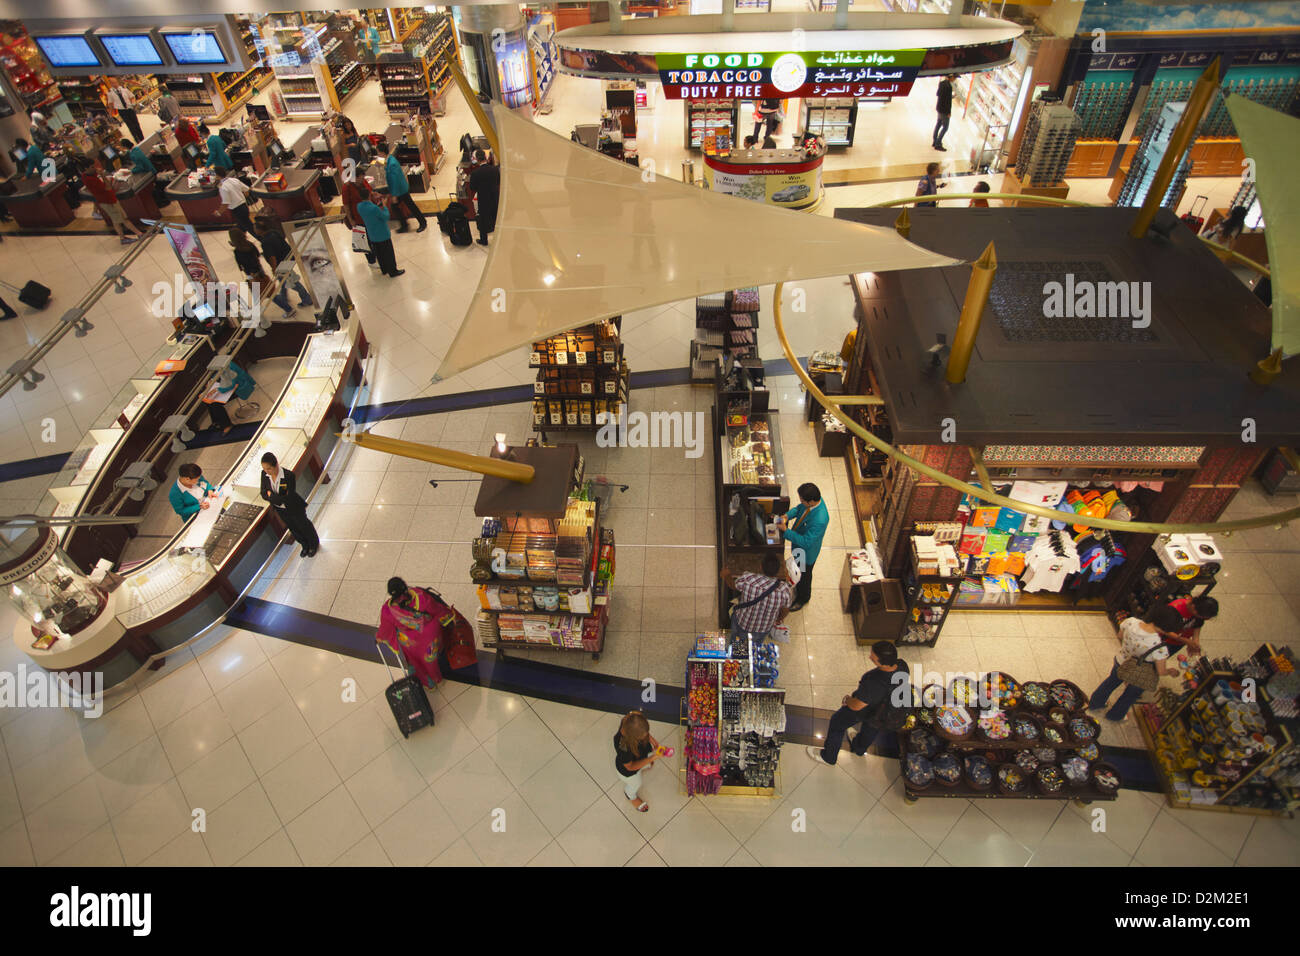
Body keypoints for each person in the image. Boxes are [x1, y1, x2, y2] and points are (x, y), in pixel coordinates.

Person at [807, 641, 910, 765]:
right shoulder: (902, 666)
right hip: (883, 712)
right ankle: (859, 748)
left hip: (866, 710)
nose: (870, 657)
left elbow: (857, 706)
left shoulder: (875, 682)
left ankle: (829, 757)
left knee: (837, 723)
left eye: (873, 656)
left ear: (881, 662)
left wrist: (848, 700)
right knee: (871, 729)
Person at [1088, 605, 1185, 722]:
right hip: (1138, 673)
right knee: (1130, 695)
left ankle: (1095, 703)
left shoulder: (1131, 621)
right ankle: (1115, 715)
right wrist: (1171, 672)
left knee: (1110, 683)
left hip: (1121, 661)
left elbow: (1120, 635)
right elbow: (1161, 671)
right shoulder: (1159, 647)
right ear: (1168, 628)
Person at [377, 577, 448, 688]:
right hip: (428, 637)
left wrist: (379, 638)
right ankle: (437, 678)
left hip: (410, 642)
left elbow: (385, 629)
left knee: (415, 661)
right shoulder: (420, 596)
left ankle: (428, 683)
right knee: (430, 660)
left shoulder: (388, 610)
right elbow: (436, 609)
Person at [780, 482, 830, 612]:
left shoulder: (820, 519)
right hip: (798, 547)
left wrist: (786, 531)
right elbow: (798, 509)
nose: (800, 502)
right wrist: (787, 516)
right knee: (797, 569)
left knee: (804, 576)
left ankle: (803, 598)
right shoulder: (811, 504)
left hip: (806, 553)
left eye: (802, 500)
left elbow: (806, 542)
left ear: (812, 501)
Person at [722, 552, 792, 644]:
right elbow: (785, 610)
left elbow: (733, 585)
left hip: (742, 622)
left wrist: (726, 575)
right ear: (778, 570)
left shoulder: (748, 580)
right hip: (764, 628)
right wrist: (778, 618)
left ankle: (735, 654)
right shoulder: (784, 590)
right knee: (756, 645)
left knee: (736, 642)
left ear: (761, 567)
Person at [260, 452, 319, 557]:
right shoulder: (264, 475)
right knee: (293, 529)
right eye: (264, 468)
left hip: (293, 507)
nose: (266, 471)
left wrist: (271, 495)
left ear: (276, 465)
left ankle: (313, 544)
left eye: (268, 468)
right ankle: (305, 545)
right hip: (281, 510)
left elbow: (283, 499)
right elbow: (263, 493)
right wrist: (271, 495)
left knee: (304, 526)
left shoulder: (287, 476)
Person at [252, 215, 313, 315]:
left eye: (255, 229)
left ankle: (307, 298)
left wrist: (274, 268)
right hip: (289, 258)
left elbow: (272, 257)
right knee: (284, 281)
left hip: (281, 264)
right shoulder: (274, 232)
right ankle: (284, 296)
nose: (254, 231)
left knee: (292, 283)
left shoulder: (265, 242)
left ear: (259, 230)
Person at [229, 226, 295, 317]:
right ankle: (259, 315)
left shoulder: (237, 251)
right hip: (260, 271)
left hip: (251, 275)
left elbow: (241, 265)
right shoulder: (250, 244)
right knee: (266, 293)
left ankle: (288, 309)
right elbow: (257, 254)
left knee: (268, 295)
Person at [614, 711, 669, 813]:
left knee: (646, 762)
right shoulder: (623, 747)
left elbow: (639, 723)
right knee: (636, 783)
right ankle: (630, 795)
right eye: (642, 736)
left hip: (639, 754)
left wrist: (653, 742)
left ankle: (643, 766)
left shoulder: (630, 720)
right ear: (633, 737)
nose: (646, 736)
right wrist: (652, 758)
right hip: (628, 772)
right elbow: (630, 767)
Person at [80, 159, 144, 244]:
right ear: (86, 168)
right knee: (123, 219)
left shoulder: (88, 175)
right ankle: (138, 234)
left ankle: (123, 238)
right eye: (92, 167)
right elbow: (108, 187)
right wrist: (102, 175)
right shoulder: (90, 179)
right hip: (108, 201)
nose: (94, 168)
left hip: (109, 199)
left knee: (116, 220)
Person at [377, 140, 426, 232]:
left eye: (379, 152)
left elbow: (395, 180)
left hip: (400, 190)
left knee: (411, 206)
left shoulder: (392, 164)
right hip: (398, 189)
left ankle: (422, 222)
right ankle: (404, 225)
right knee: (396, 207)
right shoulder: (389, 160)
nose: (378, 154)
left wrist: (394, 195)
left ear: (382, 152)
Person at [203, 360, 256, 433]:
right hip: (231, 386)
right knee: (207, 401)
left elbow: (231, 384)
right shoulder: (223, 363)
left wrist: (217, 390)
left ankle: (227, 425)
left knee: (215, 404)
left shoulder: (227, 369)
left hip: (239, 388)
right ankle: (216, 421)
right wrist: (212, 383)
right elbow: (219, 377)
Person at [358, 193, 403, 277]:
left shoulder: (359, 206)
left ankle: (384, 269)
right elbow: (386, 217)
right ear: (369, 196)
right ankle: (393, 271)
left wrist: (378, 208)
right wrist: (385, 207)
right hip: (382, 234)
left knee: (379, 254)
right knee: (388, 254)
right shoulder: (374, 208)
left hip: (372, 235)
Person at [467, 148, 499, 246]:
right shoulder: (494, 169)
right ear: (485, 157)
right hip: (495, 197)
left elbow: (472, 187)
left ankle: (484, 240)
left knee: (483, 220)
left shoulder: (475, 173)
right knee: (496, 218)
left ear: (477, 159)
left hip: (483, 200)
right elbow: (498, 181)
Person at [341, 174, 376, 264]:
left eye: (362, 177)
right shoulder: (346, 187)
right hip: (358, 218)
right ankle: (371, 261)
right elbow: (346, 205)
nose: (361, 180)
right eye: (359, 178)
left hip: (370, 215)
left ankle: (375, 256)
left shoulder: (363, 181)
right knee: (364, 240)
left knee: (372, 238)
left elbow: (370, 192)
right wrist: (351, 219)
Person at [217, 166, 254, 233]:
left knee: (249, 228)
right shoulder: (234, 180)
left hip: (237, 210)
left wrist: (219, 212)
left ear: (217, 176)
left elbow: (225, 203)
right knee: (242, 226)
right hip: (244, 207)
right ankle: (239, 238)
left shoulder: (223, 187)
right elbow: (247, 189)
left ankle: (261, 240)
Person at [933, 74, 955, 151]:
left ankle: (935, 141)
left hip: (939, 108)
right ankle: (938, 144)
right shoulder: (949, 87)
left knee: (938, 124)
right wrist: (949, 112)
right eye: (954, 78)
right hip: (944, 111)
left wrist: (949, 96)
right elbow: (948, 102)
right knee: (945, 127)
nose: (954, 79)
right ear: (951, 77)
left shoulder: (941, 83)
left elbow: (938, 94)